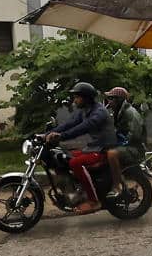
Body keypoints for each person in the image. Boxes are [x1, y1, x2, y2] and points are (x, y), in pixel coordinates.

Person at [44, 81, 117, 214]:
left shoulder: (99, 112)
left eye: (77, 97)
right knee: (63, 157)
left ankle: (94, 201)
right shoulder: (84, 110)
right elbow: (69, 124)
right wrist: (47, 134)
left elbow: (84, 127)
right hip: (94, 147)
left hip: (104, 148)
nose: (75, 99)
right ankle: (76, 192)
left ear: (86, 97)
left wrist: (61, 136)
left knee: (75, 163)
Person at [105, 86, 145, 191]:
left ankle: (116, 186)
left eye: (111, 98)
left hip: (134, 148)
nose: (108, 102)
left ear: (118, 100)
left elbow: (135, 134)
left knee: (111, 154)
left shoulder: (130, 112)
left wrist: (121, 144)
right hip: (127, 145)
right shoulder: (118, 112)